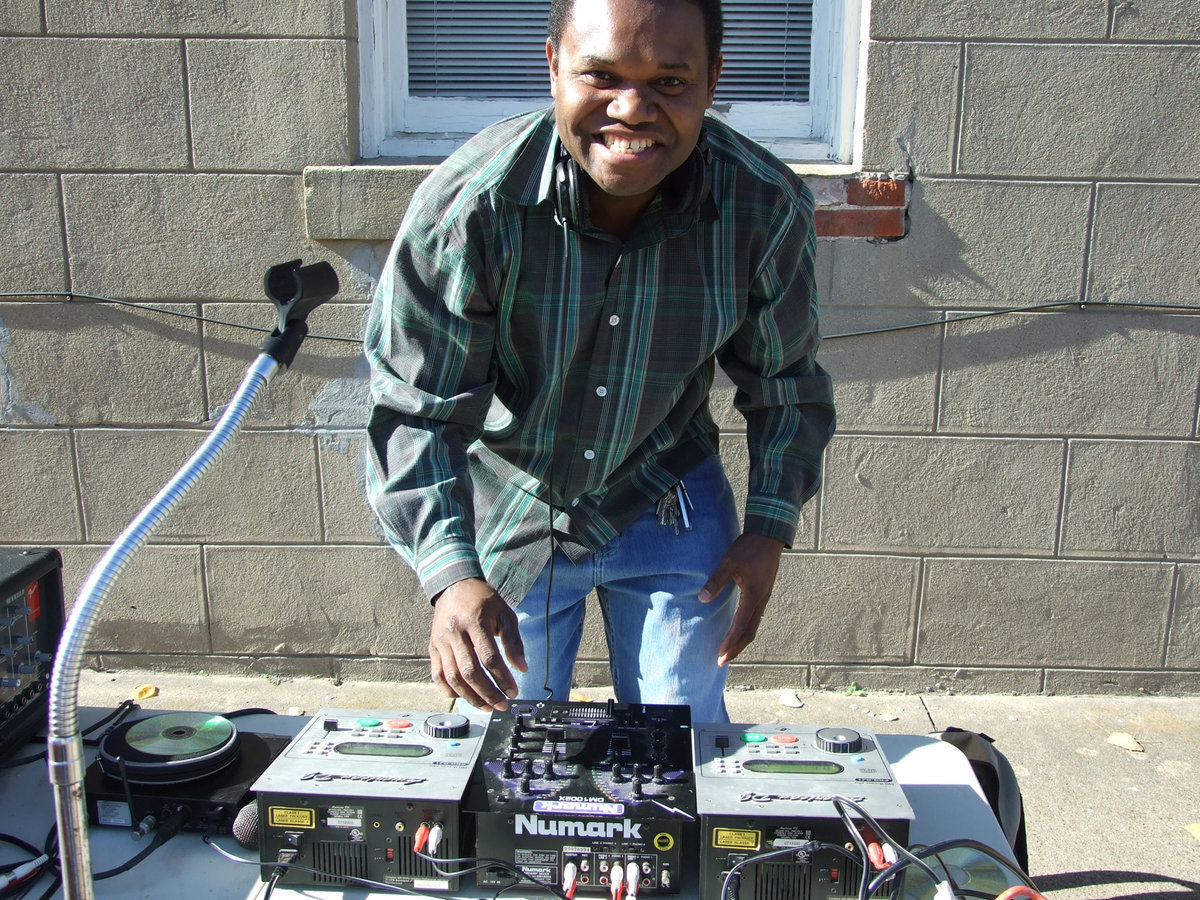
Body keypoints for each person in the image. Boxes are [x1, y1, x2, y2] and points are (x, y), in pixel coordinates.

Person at [364, 0, 835, 723]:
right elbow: (415, 410)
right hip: (515, 501)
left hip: (667, 489)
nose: (632, 109)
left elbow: (788, 386)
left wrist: (769, 527)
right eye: (601, 76)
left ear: (713, 80)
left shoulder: (763, 207)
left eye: (670, 82)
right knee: (509, 750)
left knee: (682, 741)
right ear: (554, 66)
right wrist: (452, 575)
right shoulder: (468, 210)